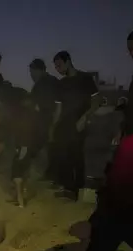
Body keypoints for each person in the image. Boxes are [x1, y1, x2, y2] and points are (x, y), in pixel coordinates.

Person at [52, 51, 101, 201]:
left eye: (59, 65)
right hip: (63, 125)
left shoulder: (85, 79)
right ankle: (67, 188)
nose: (58, 69)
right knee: (63, 156)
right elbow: (58, 109)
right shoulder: (61, 84)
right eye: (55, 67)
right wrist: (53, 127)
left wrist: (85, 117)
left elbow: (97, 101)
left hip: (79, 123)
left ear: (68, 62)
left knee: (76, 156)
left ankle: (76, 189)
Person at [0, 86, 38, 207]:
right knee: (17, 170)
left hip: (24, 145)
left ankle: (20, 201)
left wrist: (1, 141)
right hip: (21, 144)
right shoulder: (21, 111)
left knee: (18, 172)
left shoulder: (18, 112)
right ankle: (18, 197)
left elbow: (10, 128)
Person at [28, 58, 61, 184]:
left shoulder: (46, 83)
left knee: (43, 148)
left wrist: (53, 122)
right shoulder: (45, 83)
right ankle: (49, 175)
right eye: (30, 72)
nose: (31, 75)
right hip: (45, 121)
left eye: (32, 72)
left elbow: (55, 104)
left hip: (48, 121)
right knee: (46, 148)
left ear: (40, 70)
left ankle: (52, 176)